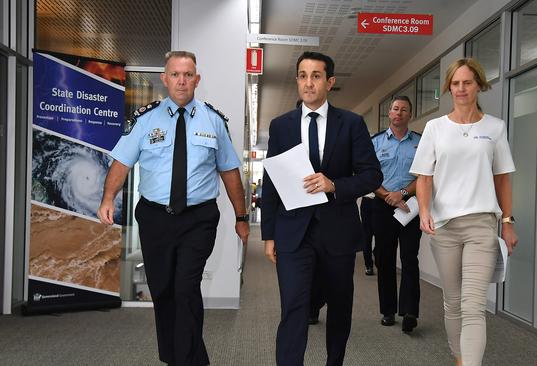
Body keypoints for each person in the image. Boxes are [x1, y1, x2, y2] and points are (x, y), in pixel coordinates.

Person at [97, 50, 250, 366]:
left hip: (199, 219)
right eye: (176, 74)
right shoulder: (145, 120)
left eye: (188, 74)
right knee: (163, 290)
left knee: (185, 287)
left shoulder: (214, 121)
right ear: (164, 79)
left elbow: (230, 172)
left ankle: (188, 360)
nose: (182, 80)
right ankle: (178, 356)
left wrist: (241, 216)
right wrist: (108, 198)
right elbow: (122, 162)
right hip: (154, 218)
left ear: (197, 79)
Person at [261, 51, 382, 366]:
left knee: (340, 306)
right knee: (294, 308)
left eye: (315, 76)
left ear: (330, 82)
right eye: (302, 75)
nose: (308, 83)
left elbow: (372, 176)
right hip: (293, 232)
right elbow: (271, 179)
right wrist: (269, 234)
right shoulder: (281, 126)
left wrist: (335, 186)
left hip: (337, 231)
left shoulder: (352, 124)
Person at [410, 58, 518, 366]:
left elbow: (503, 178)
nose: (460, 88)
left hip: (482, 226)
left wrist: (507, 222)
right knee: (453, 303)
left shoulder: (495, 128)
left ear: (479, 85)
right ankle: (460, 358)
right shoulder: (435, 128)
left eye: (467, 82)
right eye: (455, 83)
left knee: (473, 305)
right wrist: (425, 211)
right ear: (449, 87)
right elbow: (424, 177)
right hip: (445, 227)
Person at [371, 95, 422, 332]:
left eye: (404, 109)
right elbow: (368, 176)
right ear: (389, 113)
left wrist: (401, 193)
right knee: (385, 259)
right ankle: (388, 311)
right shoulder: (376, 142)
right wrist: (387, 196)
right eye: (395, 109)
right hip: (383, 206)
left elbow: (425, 175)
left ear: (409, 115)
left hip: (411, 206)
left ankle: (410, 311)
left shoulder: (421, 142)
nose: (399, 112)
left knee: (410, 258)